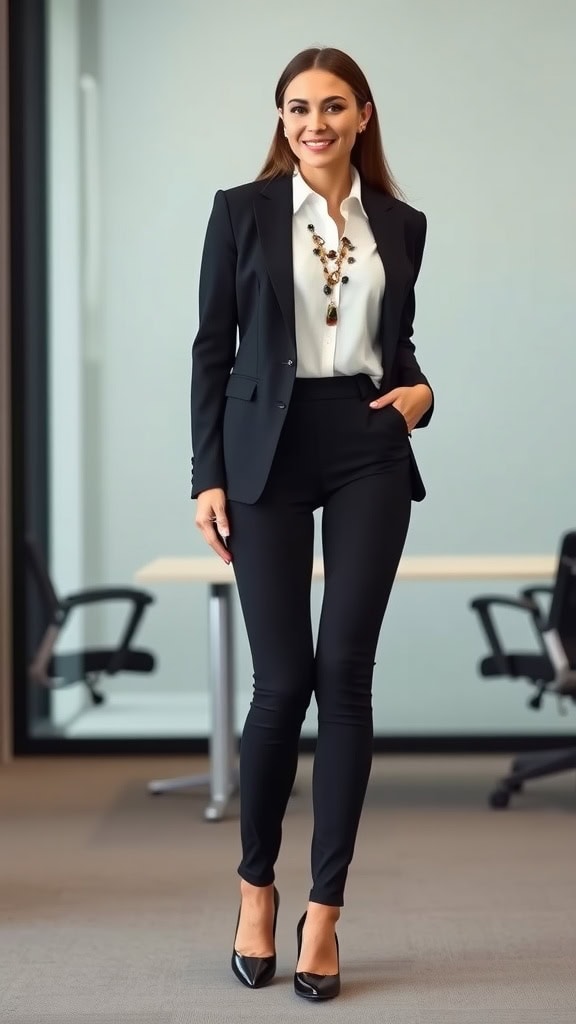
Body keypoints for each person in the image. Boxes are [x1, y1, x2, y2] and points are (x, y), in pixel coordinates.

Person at [190, 46, 434, 1000]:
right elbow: (213, 347)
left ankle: (325, 913)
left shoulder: (403, 225)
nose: (315, 122)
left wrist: (421, 397)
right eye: (298, 107)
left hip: (367, 440)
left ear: (363, 115)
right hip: (265, 450)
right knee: (282, 678)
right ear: (281, 118)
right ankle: (257, 889)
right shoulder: (241, 211)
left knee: (346, 677)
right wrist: (207, 474)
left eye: (334, 106)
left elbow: (399, 344)